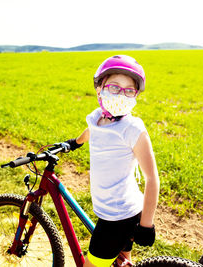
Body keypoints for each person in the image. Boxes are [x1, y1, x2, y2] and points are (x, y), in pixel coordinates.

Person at [65, 55, 160, 267]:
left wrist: (146, 224)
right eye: (115, 87)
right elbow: (92, 130)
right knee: (123, 261)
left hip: (119, 216)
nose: (121, 95)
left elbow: (152, 178)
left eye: (129, 90)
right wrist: (75, 143)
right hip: (111, 208)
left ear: (135, 95)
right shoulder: (97, 117)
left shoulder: (132, 129)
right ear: (100, 90)